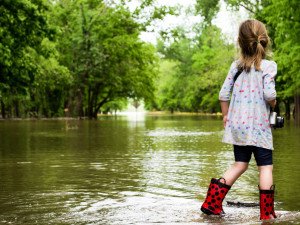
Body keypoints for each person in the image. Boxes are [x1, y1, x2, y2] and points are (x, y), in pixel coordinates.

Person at [201, 19, 278, 220]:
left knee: (239, 165)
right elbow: (269, 95)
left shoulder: (236, 67)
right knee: (265, 167)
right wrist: (274, 103)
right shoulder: (268, 67)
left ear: (240, 42)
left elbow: (223, 94)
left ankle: (211, 204)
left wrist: (226, 115)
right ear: (264, 41)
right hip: (259, 126)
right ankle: (267, 213)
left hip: (238, 126)